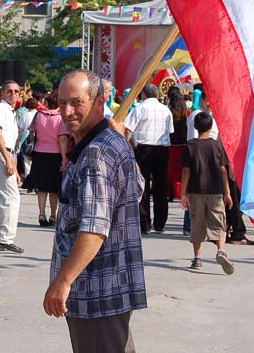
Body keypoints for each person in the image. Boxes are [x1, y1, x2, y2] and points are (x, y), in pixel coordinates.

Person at [43, 70, 146, 353]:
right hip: (111, 285)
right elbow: (137, 186)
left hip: (96, 288)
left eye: (77, 102)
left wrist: (62, 281)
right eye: (61, 102)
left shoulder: (96, 152)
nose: (67, 111)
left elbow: (94, 227)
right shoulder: (113, 141)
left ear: (99, 102)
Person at [180, 112, 234, 274]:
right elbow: (223, 169)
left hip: (195, 191)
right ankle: (221, 250)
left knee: (197, 222)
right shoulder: (217, 145)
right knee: (218, 221)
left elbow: (186, 171)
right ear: (211, 127)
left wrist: (183, 193)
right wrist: (227, 192)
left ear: (195, 127)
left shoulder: (190, 145)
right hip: (215, 190)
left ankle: (197, 257)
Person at [124, 83, 174, 234]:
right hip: (162, 149)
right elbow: (170, 131)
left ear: (143, 94)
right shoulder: (166, 110)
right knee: (161, 186)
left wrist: (128, 145)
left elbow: (128, 129)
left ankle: (144, 223)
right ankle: (160, 223)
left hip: (144, 149)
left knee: (142, 185)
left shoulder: (140, 108)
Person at [0, 80, 23, 254]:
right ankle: (5, 239)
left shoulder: (8, 110)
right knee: (11, 198)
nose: (13, 93)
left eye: (16, 91)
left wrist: (12, 163)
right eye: (9, 91)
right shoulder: (0, 108)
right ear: (2, 93)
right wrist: (8, 160)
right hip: (0, 153)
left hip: (2, 153)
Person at [22, 92, 69, 226]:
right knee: (54, 188)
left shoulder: (38, 115)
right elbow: (63, 139)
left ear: (48, 102)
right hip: (55, 154)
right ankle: (53, 215)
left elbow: (32, 130)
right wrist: (64, 157)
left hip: (39, 153)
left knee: (42, 187)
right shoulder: (61, 118)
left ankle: (41, 214)